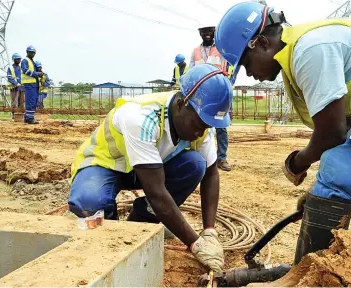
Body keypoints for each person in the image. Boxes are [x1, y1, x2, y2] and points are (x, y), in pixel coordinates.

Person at [215, 1, 351, 286]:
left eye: (245, 64)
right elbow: (344, 127)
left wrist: (298, 162)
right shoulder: (303, 50)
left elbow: (333, 132)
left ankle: (304, 280)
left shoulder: (310, 51)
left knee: (338, 172)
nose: (249, 74)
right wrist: (319, 195)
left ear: (260, 43)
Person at [68, 64, 233, 273]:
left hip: (146, 170)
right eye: (199, 123)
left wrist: (209, 231)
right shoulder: (141, 118)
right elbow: (156, 192)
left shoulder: (201, 127)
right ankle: (109, 238)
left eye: (208, 125)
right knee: (90, 203)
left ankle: (140, 224)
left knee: (195, 165)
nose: (202, 131)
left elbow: (210, 174)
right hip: (106, 164)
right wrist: (195, 244)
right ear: (182, 105)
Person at [191, 23, 234, 172]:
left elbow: (232, 67)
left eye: (209, 30)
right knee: (197, 125)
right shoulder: (196, 51)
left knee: (221, 126)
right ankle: (199, 157)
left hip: (219, 93)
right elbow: (191, 72)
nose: (206, 33)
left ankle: (221, 158)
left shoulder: (222, 49)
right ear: (200, 33)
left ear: (214, 32)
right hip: (201, 95)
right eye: (203, 31)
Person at [21, 45, 43, 124]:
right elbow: (25, 71)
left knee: (34, 101)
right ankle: (29, 118)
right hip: (29, 84)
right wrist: (37, 73)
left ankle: (29, 117)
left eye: (34, 53)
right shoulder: (25, 60)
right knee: (30, 101)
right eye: (31, 52)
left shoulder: (32, 61)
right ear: (27, 52)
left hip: (34, 84)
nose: (33, 54)